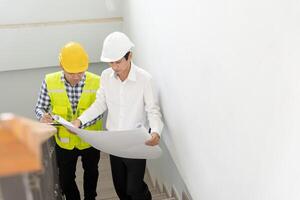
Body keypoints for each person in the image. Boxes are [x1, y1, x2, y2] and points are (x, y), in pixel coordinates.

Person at [72, 32, 164, 200]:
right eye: (111, 62)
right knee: (121, 189)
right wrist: (80, 120)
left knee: (135, 190)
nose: (114, 67)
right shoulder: (106, 77)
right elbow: (100, 104)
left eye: (118, 62)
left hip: (137, 142)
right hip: (115, 142)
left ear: (130, 56)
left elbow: (153, 110)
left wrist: (156, 132)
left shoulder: (145, 79)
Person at [35, 42, 103, 200]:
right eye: (71, 72)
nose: (76, 77)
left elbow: (100, 111)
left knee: (91, 172)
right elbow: (40, 107)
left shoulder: (97, 81)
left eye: (80, 72)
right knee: (66, 178)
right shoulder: (49, 81)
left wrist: (81, 123)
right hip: (64, 142)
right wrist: (42, 116)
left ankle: (90, 198)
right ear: (61, 65)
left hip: (90, 140)